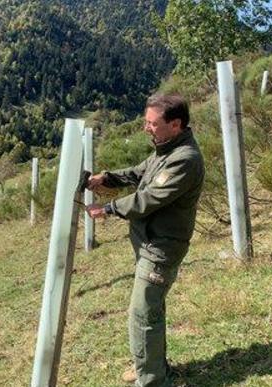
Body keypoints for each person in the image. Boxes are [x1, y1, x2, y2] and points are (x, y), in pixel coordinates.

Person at [85, 94, 204, 386]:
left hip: (161, 249)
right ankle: (151, 368)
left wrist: (110, 208)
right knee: (151, 311)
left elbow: (149, 198)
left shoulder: (184, 159)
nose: (146, 128)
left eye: (152, 123)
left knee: (142, 315)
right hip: (149, 244)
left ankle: (151, 380)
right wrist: (108, 178)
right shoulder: (164, 149)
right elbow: (141, 172)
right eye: (145, 122)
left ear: (175, 124)